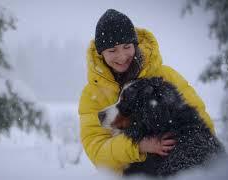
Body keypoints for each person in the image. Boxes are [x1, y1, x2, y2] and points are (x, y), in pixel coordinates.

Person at [78, 9, 215, 175]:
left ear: (135, 45)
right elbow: (97, 152)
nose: (121, 57)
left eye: (126, 47)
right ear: (101, 53)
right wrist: (138, 146)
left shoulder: (166, 76)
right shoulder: (92, 95)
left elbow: (200, 122)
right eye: (112, 50)